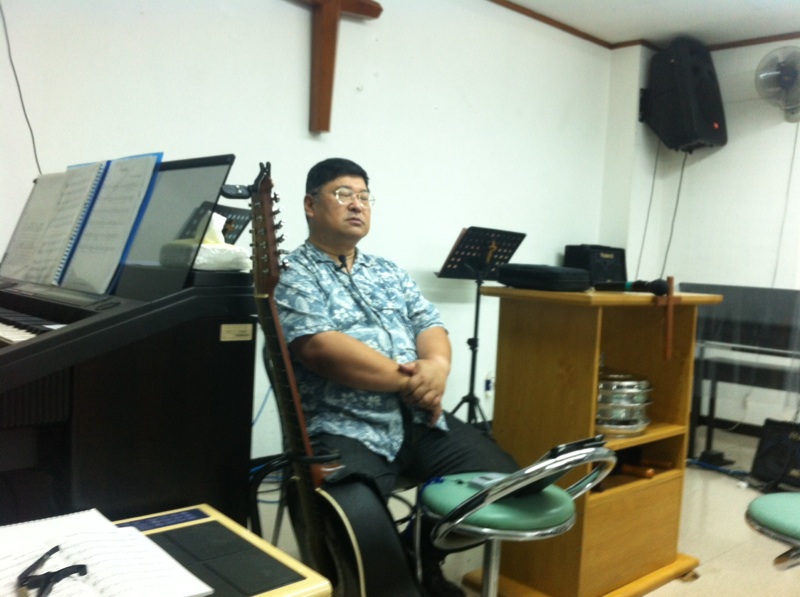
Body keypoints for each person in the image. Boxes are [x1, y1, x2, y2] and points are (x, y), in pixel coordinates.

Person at [274, 158, 519, 597]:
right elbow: (321, 348)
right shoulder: (293, 273)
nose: (357, 205)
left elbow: (430, 325)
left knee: (504, 486)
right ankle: (395, 571)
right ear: (311, 205)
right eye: (343, 194)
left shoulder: (387, 271)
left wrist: (437, 367)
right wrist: (413, 382)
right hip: (344, 425)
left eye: (365, 197)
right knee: (360, 525)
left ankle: (419, 557)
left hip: (419, 419)